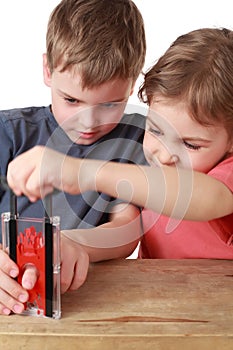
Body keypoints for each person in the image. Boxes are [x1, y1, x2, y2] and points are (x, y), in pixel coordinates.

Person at [7, 27, 233, 258]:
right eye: (155, 129)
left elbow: (204, 196)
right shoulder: (145, 163)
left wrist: (83, 172)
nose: (164, 156)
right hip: (159, 289)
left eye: (191, 145)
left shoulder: (226, 173)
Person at [0, 0, 147, 315]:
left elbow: (127, 225)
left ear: (133, 83)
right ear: (47, 70)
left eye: (110, 104)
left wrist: (73, 243)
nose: (88, 123)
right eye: (72, 100)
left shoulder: (134, 140)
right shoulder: (11, 133)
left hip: (88, 304)